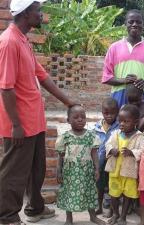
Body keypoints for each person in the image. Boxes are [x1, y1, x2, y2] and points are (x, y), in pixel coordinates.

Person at [0, 0, 76, 224]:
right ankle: (7, 216)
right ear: (25, 14)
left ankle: (35, 208)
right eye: (37, 10)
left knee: (37, 169)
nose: (41, 14)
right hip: (19, 124)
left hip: (34, 120)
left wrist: (69, 102)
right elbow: (5, 88)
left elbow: (42, 76)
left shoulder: (24, 40)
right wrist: (15, 124)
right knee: (14, 172)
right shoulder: (8, 42)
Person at [102, 9, 144, 107]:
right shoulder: (114, 48)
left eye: (138, 22)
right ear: (125, 24)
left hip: (141, 98)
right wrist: (123, 80)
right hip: (118, 97)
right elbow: (106, 77)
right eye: (131, 22)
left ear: (143, 25)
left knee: (141, 121)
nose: (134, 24)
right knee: (119, 122)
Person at [55, 105, 103, 225]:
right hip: (69, 173)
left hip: (87, 172)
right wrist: (59, 170)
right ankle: (69, 219)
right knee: (68, 193)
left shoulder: (91, 136)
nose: (80, 119)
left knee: (89, 192)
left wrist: (97, 169)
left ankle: (93, 216)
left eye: (83, 117)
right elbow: (60, 156)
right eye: (76, 117)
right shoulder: (65, 137)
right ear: (68, 120)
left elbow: (94, 154)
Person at [104, 105, 144, 225]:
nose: (122, 124)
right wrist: (112, 150)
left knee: (128, 194)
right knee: (114, 194)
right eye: (120, 121)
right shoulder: (116, 133)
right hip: (115, 170)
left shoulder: (139, 136)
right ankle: (116, 213)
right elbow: (108, 144)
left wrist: (132, 152)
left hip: (129, 172)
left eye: (126, 121)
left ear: (136, 122)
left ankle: (123, 216)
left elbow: (143, 150)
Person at [94, 98, 119, 216]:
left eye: (113, 113)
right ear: (102, 112)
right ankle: (99, 207)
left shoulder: (119, 126)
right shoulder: (97, 127)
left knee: (111, 186)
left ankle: (111, 208)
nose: (109, 116)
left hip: (113, 163)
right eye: (106, 113)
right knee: (99, 186)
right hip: (99, 163)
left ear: (118, 112)